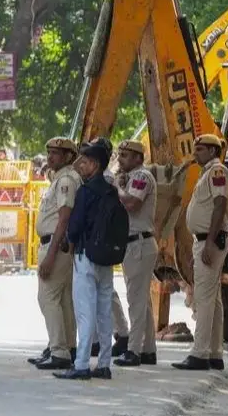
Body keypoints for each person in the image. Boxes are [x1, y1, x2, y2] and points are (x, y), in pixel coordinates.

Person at [55, 143, 118, 381]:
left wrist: (68, 241)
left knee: (85, 312)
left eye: (85, 161)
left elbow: (76, 224)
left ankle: (81, 364)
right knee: (104, 313)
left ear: (95, 165)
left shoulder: (86, 191)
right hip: (106, 258)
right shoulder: (111, 191)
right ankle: (104, 364)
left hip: (85, 256)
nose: (81, 165)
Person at [174, 134, 228, 371]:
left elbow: (219, 205)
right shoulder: (209, 173)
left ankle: (199, 354)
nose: (195, 154)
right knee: (214, 300)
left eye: (199, 150)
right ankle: (215, 353)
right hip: (206, 240)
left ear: (211, 151)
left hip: (211, 241)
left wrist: (208, 242)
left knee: (204, 299)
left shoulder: (217, 172)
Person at [29, 137, 81, 370]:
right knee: (63, 300)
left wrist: (50, 255)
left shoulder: (66, 180)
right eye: (49, 152)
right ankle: (66, 347)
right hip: (59, 245)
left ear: (69, 157)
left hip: (56, 245)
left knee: (48, 298)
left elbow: (64, 217)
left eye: (56, 153)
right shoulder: (61, 178)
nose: (50, 157)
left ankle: (59, 351)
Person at [112, 140, 158, 367]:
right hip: (134, 244)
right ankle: (148, 349)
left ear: (139, 158)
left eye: (126, 155)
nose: (120, 159)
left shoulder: (141, 176)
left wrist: (117, 188)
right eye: (120, 155)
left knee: (136, 301)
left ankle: (134, 351)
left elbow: (131, 204)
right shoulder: (131, 178)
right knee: (142, 301)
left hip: (139, 243)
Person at [86, 136, 127, 357]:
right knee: (95, 291)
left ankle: (120, 333)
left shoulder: (107, 179)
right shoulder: (95, 176)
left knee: (104, 291)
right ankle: (96, 339)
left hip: (101, 239)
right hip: (93, 238)